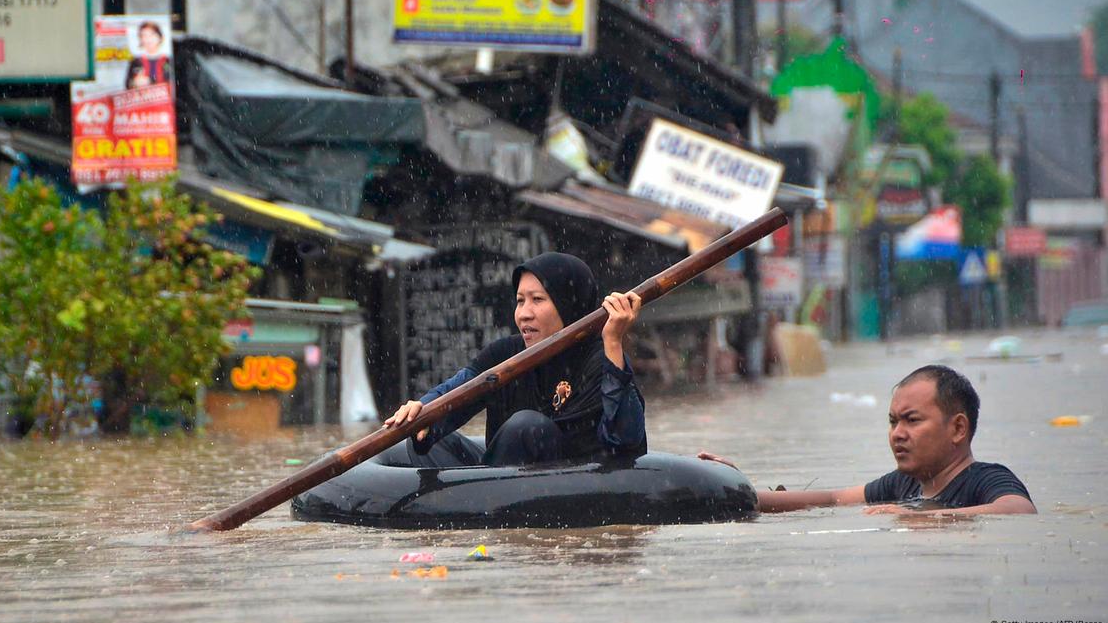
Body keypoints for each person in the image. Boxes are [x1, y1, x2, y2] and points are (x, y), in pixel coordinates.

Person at [384, 252, 646, 467]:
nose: (524, 314)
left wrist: (613, 341)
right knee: (430, 434)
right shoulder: (506, 353)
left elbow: (624, 442)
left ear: (568, 304)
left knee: (527, 427)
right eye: (520, 301)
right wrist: (424, 408)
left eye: (538, 300)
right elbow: (457, 390)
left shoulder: (599, 357)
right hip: (499, 477)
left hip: (567, 484)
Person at [698, 365, 1036, 515]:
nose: (898, 434)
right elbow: (831, 499)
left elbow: (1019, 509)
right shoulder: (904, 485)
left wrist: (924, 517)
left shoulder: (985, 479)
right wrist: (739, 488)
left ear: (958, 429)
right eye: (892, 422)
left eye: (912, 421)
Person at [126, 21, 171, 89]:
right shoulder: (136, 61)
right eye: (144, 35)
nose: (148, 39)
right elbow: (127, 84)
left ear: (160, 37)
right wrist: (134, 83)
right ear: (141, 39)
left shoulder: (168, 60)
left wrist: (150, 81)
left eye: (152, 34)